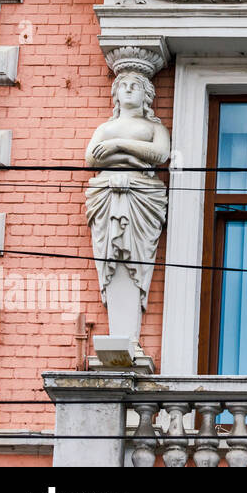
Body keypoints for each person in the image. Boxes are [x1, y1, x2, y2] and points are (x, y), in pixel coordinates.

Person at [83, 71, 171, 346]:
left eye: (136, 86)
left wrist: (117, 146)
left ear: (147, 95)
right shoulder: (104, 128)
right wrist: (133, 154)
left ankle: (127, 340)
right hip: (107, 194)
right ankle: (120, 340)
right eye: (124, 86)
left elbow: (160, 155)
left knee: (134, 256)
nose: (129, 89)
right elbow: (91, 158)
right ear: (116, 94)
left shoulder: (155, 128)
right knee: (113, 252)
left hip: (143, 197)